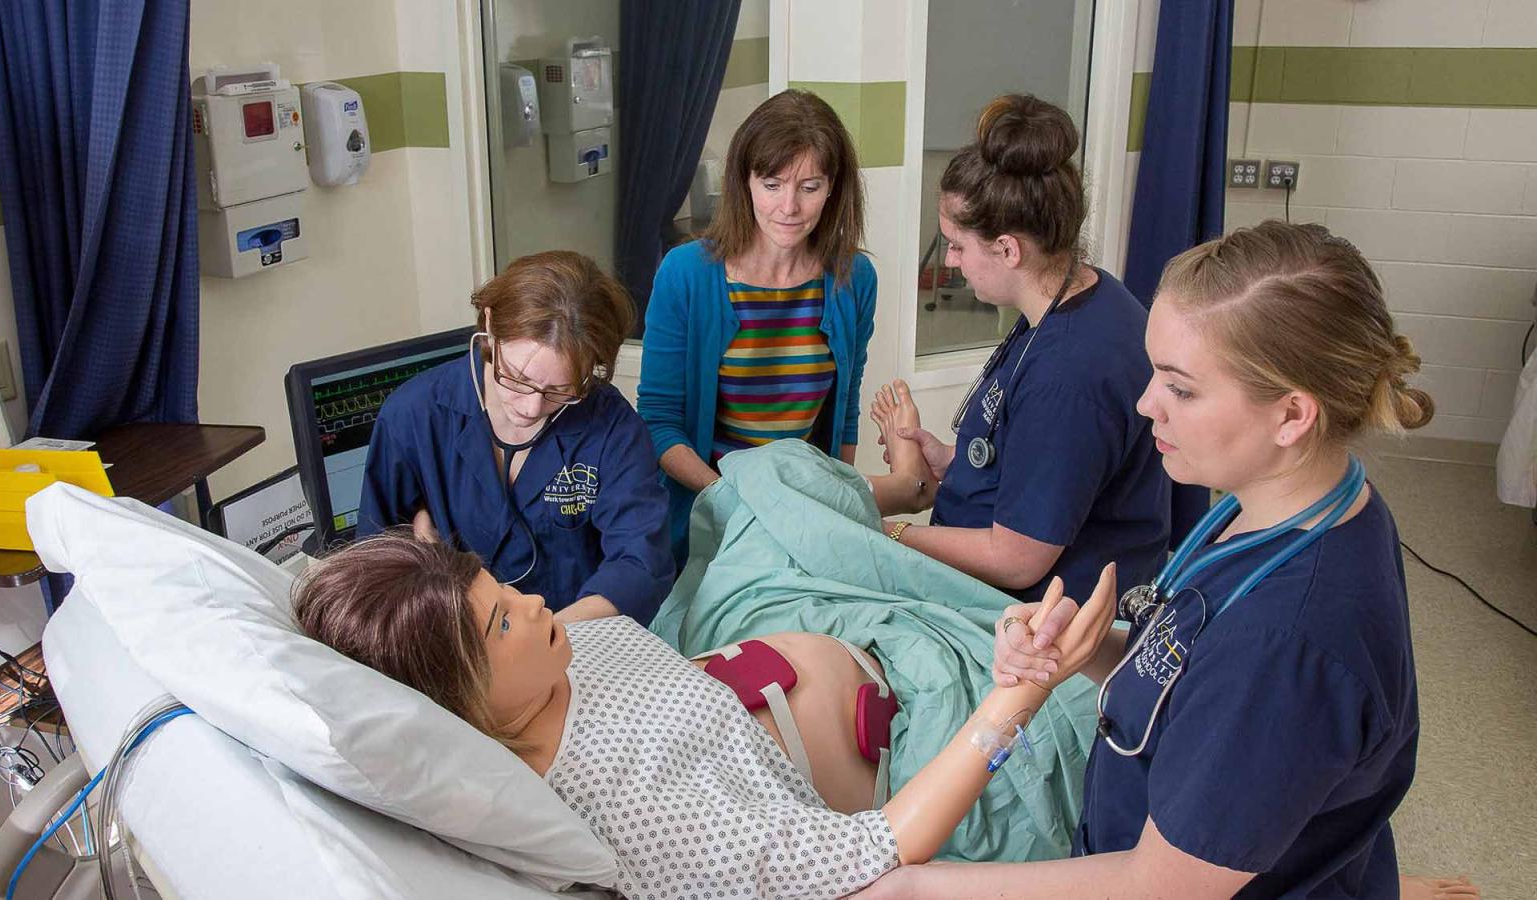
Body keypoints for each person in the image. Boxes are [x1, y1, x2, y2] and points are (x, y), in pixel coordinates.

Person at [859, 220, 1479, 900]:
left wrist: (914, 888)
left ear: (1292, 416)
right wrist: (1092, 650)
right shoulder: (1290, 507)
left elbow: (1159, 886)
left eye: (1180, 387)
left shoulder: (1284, 648)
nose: (1146, 403)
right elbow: (1196, 664)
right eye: (1153, 370)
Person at [293, 530, 1118, 900]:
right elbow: (890, 848)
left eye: (501, 587)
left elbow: (593, 619)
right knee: (1096, 692)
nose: (533, 600)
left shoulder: (554, 659)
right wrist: (1016, 700)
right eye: (500, 620)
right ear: (458, 702)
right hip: (924, 740)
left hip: (854, 642)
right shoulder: (645, 815)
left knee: (771, 482)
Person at [872, 94, 1168, 604]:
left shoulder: (1070, 376)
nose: (953, 262)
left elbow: (1016, 560)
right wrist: (958, 462)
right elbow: (1039, 458)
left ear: (1008, 249)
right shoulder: (1085, 295)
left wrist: (889, 536)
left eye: (958, 246)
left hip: (1034, 619)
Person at [357, 251, 674, 625]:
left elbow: (640, 563)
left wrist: (545, 637)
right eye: (518, 378)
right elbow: (370, 566)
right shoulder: (415, 415)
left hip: (576, 638)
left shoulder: (611, 428)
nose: (531, 406)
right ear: (490, 325)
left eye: (561, 389)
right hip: (452, 640)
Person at [638, 89, 877, 564]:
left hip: (808, 515)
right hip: (710, 513)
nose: (789, 206)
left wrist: (834, 505)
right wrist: (737, 500)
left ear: (833, 189)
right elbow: (659, 422)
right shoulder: (686, 274)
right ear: (743, 182)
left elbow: (844, 411)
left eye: (809, 187)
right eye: (772, 184)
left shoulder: (855, 279)